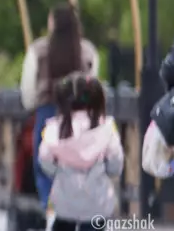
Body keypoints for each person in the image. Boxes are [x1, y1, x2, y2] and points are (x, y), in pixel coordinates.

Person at [20, 2, 98, 212]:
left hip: (47, 114)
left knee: (45, 167)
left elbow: (28, 90)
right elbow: (94, 88)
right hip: (79, 118)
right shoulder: (87, 52)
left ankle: (52, 210)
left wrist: (31, 106)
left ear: (53, 23)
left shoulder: (38, 50)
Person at [37, 74, 123, 231]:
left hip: (64, 202)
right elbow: (116, 162)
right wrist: (108, 172)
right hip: (98, 202)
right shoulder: (106, 128)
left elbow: (44, 157)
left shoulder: (55, 129)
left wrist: (57, 171)